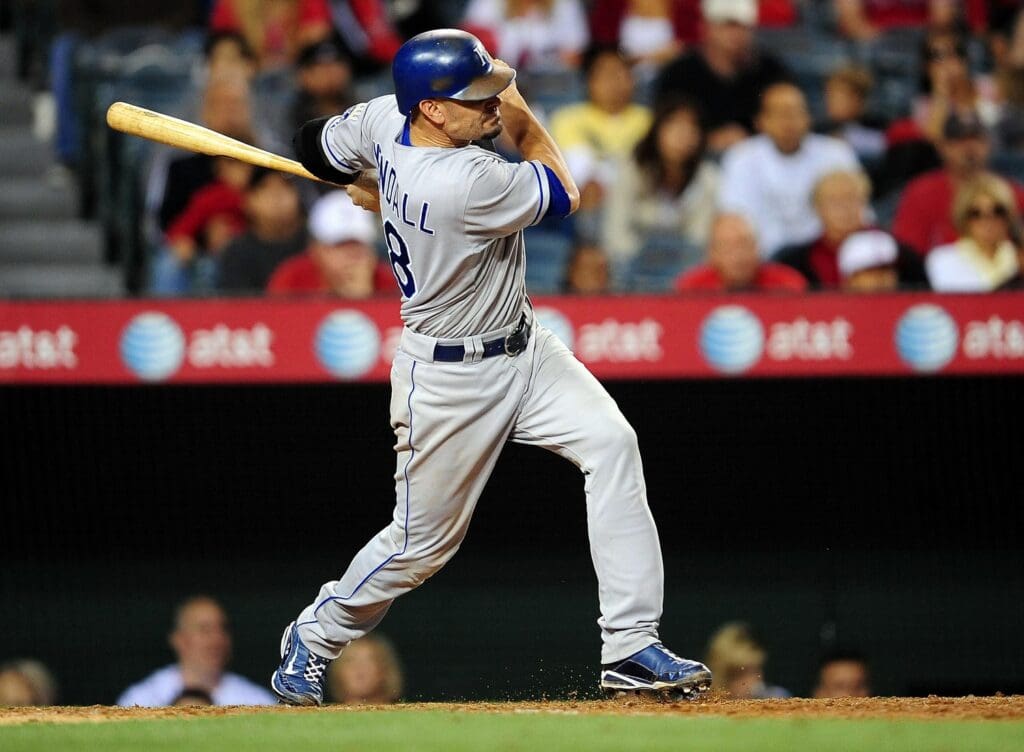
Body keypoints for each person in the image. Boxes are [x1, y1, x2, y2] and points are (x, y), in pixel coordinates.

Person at [271, 28, 712, 706]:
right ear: (432, 110)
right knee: (421, 548)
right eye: (474, 98)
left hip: (525, 346)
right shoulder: (468, 180)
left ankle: (629, 646)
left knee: (613, 444)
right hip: (449, 380)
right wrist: (511, 117)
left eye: (491, 91)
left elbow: (312, 147)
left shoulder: (380, 117)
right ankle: (315, 632)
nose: (492, 106)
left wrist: (378, 182)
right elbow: (564, 190)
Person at [718, 83, 860, 257]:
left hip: (827, 255)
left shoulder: (836, 153)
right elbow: (736, 220)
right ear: (760, 121)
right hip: (762, 260)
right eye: (780, 114)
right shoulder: (741, 157)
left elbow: (859, 214)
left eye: (795, 113)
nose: (788, 122)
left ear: (808, 117)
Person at [653, 0, 789, 154]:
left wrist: (749, 141)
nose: (736, 34)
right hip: (694, 161)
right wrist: (708, 139)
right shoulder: (679, 73)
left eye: (743, 26)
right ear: (706, 27)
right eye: (728, 25)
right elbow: (664, 128)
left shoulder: (770, 70)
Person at [602, 98, 719, 266]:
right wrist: (643, 260)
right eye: (674, 125)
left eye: (692, 127)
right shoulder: (630, 171)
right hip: (632, 268)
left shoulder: (708, 178)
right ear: (657, 130)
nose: (683, 134)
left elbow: (700, 241)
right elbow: (615, 233)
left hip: (684, 269)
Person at [892, 110, 1024, 256]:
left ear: (988, 144)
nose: (969, 148)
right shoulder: (920, 192)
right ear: (943, 147)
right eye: (959, 141)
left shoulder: (1012, 193)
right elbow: (909, 252)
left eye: (976, 139)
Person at [774, 170, 926, 289]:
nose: (844, 209)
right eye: (834, 201)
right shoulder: (796, 261)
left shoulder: (897, 255)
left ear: (865, 203)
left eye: (851, 199)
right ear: (817, 208)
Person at [549, 46, 652, 217]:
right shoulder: (566, 118)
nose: (614, 82)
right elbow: (574, 163)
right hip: (582, 202)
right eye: (606, 75)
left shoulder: (649, 121)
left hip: (633, 202)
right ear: (590, 81)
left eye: (620, 73)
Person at [118, 596, 276, 707]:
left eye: (222, 629)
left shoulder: (256, 701)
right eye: (205, 630)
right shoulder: (141, 699)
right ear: (179, 640)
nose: (217, 639)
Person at [151, 157, 254, 295]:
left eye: (245, 165)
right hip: (211, 257)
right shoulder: (211, 196)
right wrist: (182, 240)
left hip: (246, 257)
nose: (242, 171)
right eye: (233, 165)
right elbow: (183, 226)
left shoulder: (257, 196)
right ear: (220, 170)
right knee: (201, 267)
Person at [267, 190, 392, 297]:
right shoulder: (292, 279)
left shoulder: (388, 281)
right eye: (341, 245)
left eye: (358, 244)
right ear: (316, 249)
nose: (352, 255)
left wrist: (366, 300)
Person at [926, 173, 1022, 291]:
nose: (988, 220)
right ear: (963, 218)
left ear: (1008, 215)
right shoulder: (942, 260)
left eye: (998, 211)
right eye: (976, 214)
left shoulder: (1019, 257)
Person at [219, 168, 308, 293]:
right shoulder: (237, 252)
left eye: (285, 186)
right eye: (264, 187)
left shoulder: (318, 243)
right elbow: (237, 307)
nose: (276, 196)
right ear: (248, 200)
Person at [675, 213, 806, 292]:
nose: (738, 256)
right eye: (728, 247)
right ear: (712, 253)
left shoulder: (787, 284)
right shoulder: (690, 289)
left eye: (744, 244)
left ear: (757, 247)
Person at [461, 0, 589, 73]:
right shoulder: (488, 3)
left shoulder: (565, 4)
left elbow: (574, 56)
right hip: (498, 76)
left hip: (549, 82)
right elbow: (472, 44)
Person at [208, 0, 332, 70]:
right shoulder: (233, 4)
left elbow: (319, 30)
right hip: (251, 75)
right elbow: (222, 43)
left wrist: (294, 49)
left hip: (298, 71)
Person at [819, 65, 887, 164]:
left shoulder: (880, 128)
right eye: (829, 95)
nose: (830, 101)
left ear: (858, 100)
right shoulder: (819, 129)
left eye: (838, 96)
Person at [327, 635, 404, 704]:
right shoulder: (324, 718)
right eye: (350, 660)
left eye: (369, 660)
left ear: (385, 668)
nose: (359, 668)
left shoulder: (404, 717)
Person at [838, 230, 915, 292]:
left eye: (887, 269)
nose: (882, 278)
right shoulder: (836, 310)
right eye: (871, 271)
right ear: (850, 280)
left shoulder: (911, 310)